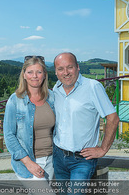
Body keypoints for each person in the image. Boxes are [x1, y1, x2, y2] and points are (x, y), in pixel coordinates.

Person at [52, 52, 120, 194]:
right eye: (60, 69)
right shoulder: (56, 89)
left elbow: (113, 118)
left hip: (81, 160)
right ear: (56, 72)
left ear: (77, 67)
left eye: (69, 67)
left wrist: (103, 149)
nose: (66, 73)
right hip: (58, 156)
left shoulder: (93, 87)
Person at [4, 55, 56, 195]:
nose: (35, 76)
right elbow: (9, 135)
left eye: (39, 72)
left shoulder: (52, 97)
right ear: (24, 75)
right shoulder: (15, 101)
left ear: (44, 75)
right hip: (28, 163)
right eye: (30, 72)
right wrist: (29, 163)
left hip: (52, 160)